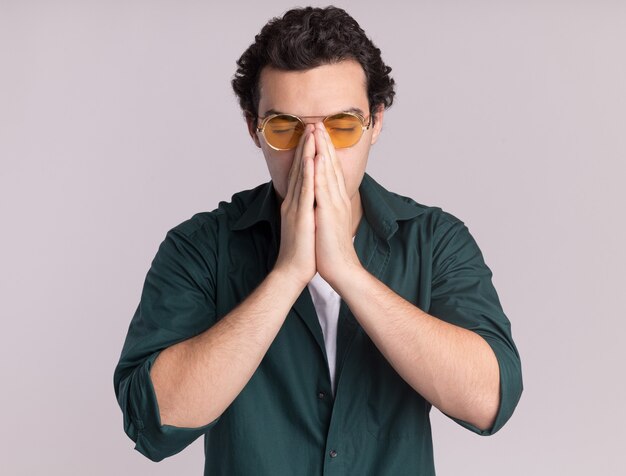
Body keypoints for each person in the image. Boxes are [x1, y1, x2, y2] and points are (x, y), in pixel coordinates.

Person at [113, 6, 523, 475]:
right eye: (286, 129)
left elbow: (489, 401)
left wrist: (347, 272)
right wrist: (287, 274)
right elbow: (152, 421)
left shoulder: (434, 240)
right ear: (255, 130)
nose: (315, 152)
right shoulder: (200, 247)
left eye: (342, 126)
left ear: (376, 123)